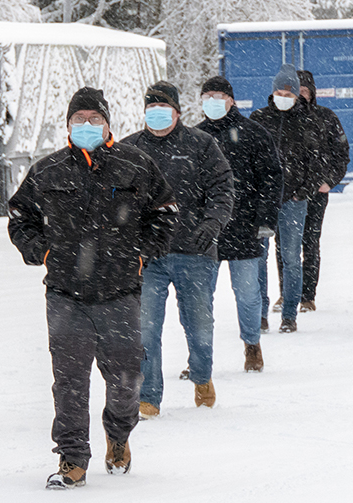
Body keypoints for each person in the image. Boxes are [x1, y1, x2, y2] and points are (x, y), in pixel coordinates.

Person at [7, 87, 177, 490]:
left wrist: (140, 254)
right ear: (67, 126)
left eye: (94, 119)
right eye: (79, 120)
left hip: (120, 292)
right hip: (66, 294)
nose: (87, 126)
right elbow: (19, 217)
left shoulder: (135, 164)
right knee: (69, 380)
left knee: (126, 379)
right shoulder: (47, 171)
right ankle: (72, 457)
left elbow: (165, 214)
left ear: (107, 124)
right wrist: (43, 253)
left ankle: (118, 434)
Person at [120, 81, 233, 417]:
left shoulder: (202, 145)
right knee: (145, 329)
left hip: (194, 253)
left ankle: (201, 376)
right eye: (150, 109)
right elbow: (116, 199)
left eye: (163, 108)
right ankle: (149, 395)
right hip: (147, 256)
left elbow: (223, 188)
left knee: (198, 327)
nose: (156, 115)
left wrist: (213, 223)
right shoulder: (130, 149)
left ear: (178, 112)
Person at [196, 76, 282, 372]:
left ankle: (252, 345)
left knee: (247, 294)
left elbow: (271, 178)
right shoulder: (194, 136)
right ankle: (199, 355)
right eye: (208, 96)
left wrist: (266, 219)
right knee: (199, 298)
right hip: (205, 231)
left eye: (219, 96)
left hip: (245, 227)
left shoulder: (253, 133)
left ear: (231, 100)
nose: (213, 101)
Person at [249, 64, 332, 333]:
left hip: (295, 201)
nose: (283, 95)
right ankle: (260, 312)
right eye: (279, 91)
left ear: (297, 95)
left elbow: (317, 162)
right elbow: (247, 159)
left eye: (288, 92)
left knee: (292, 257)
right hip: (263, 201)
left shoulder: (308, 122)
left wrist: (303, 192)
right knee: (258, 258)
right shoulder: (258, 119)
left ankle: (289, 314)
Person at [293, 70, 349, 313]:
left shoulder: (326, 117)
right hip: (289, 193)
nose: (300, 96)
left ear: (312, 93)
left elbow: (342, 154)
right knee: (285, 245)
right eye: (296, 91)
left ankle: (307, 295)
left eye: (304, 91)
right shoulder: (281, 119)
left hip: (316, 191)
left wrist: (330, 181)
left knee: (310, 241)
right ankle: (287, 293)